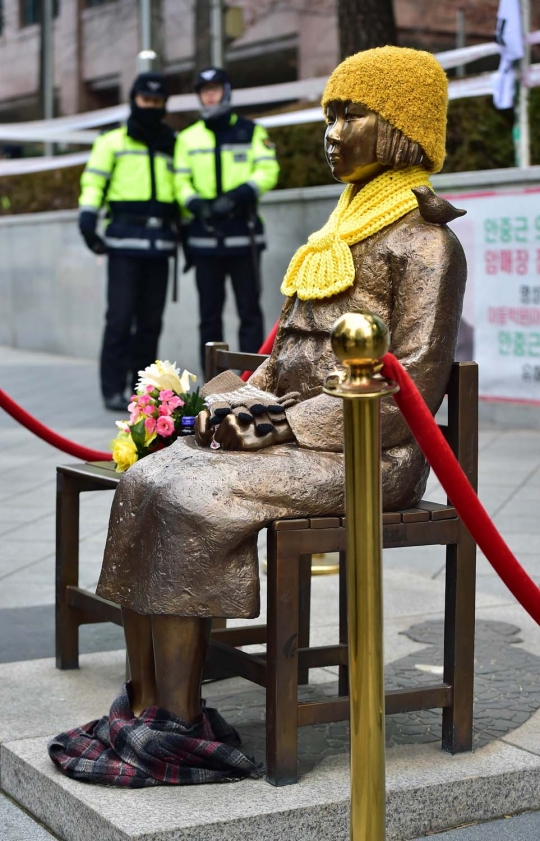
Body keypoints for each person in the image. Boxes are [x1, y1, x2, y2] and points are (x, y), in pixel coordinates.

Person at [50, 47, 467, 785]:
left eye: (351, 114)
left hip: (369, 453)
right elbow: (278, 363)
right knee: (149, 475)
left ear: (401, 125)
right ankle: (146, 705)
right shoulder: (337, 232)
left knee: (192, 495)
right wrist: (225, 407)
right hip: (299, 434)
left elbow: (408, 396)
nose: (331, 130)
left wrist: (278, 425)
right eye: (329, 114)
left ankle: (179, 722)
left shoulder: (427, 243)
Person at [78, 72, 177, 412]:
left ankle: (141, 392)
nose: (150, 107)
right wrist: (88, 218)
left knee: (151, 324)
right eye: (144, 100)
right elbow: (93, 183)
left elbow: (181, 190)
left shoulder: (171, 143)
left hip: (161, 245)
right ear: (133, 100)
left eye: (156, 102)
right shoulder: (112, 142)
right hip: (123, 243)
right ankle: (111, 390)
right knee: (120, 319)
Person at [174, 67, 280, 370]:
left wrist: (238, 195)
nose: (210, 96)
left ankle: (252, 377)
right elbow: (179, 182)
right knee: (209, 315)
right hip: (204, 237)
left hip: (243, 234)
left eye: (215, 89)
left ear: (227, 92)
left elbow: (268, 171)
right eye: (204, 91)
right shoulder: (187, 138)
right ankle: (214, 381)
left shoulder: (252, 132)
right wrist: (196, 204)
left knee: (249, 311)